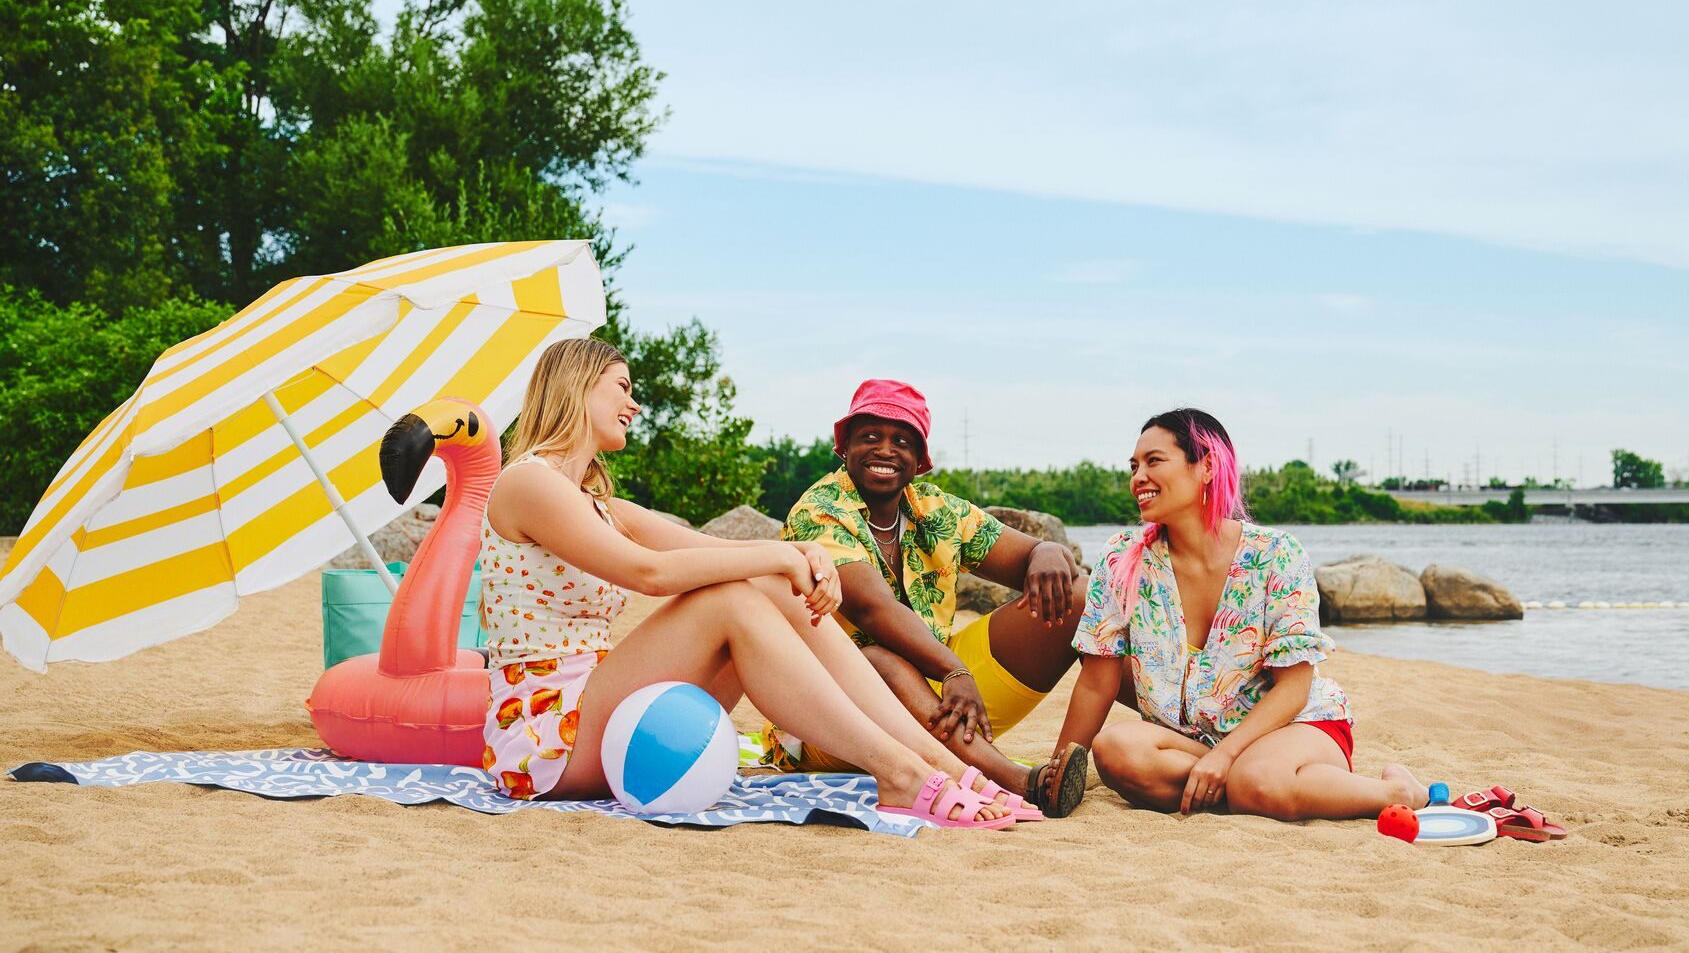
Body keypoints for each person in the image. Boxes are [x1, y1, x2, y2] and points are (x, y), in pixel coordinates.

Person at [474, 338, 1022, 828]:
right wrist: (778, 557)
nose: (635, 404)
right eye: (622, 387)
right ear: (576, 386)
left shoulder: (599, 505)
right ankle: (900, 771)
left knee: (768, 586)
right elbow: (650, 574)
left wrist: (799, 554)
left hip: (601, 716)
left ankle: (942, 763)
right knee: (732, 599)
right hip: (546, 737)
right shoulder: (529, 484)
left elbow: (717, 551)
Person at [1053, 408, 1426, 820]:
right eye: (1134, 466)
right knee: (1115, 749)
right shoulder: (1122, 559)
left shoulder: (1276, 554)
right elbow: (1097, 683)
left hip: (1292, 726)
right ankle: (1260, 789)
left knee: (1256, 779)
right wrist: (1056, 772)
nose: (1138, 477)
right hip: (1195, 743)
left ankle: (1396, 790)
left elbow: (1294, 688)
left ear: (1208, 466)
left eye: (1153, 461)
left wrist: (1227, 755)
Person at [758, 379, 1092, 818]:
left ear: (919, 460)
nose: (885, 450)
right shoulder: (819, 510)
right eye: (870, 437)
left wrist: (1047, 550)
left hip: (943, 703)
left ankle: (1166, 724)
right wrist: (954, 670)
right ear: (845, 448)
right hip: (834, 717)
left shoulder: (936, 509)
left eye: (902, 441)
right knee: (878, 660)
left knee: (1076, 596)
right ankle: (1019, 782)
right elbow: (871, 609)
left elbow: (1029, 554)